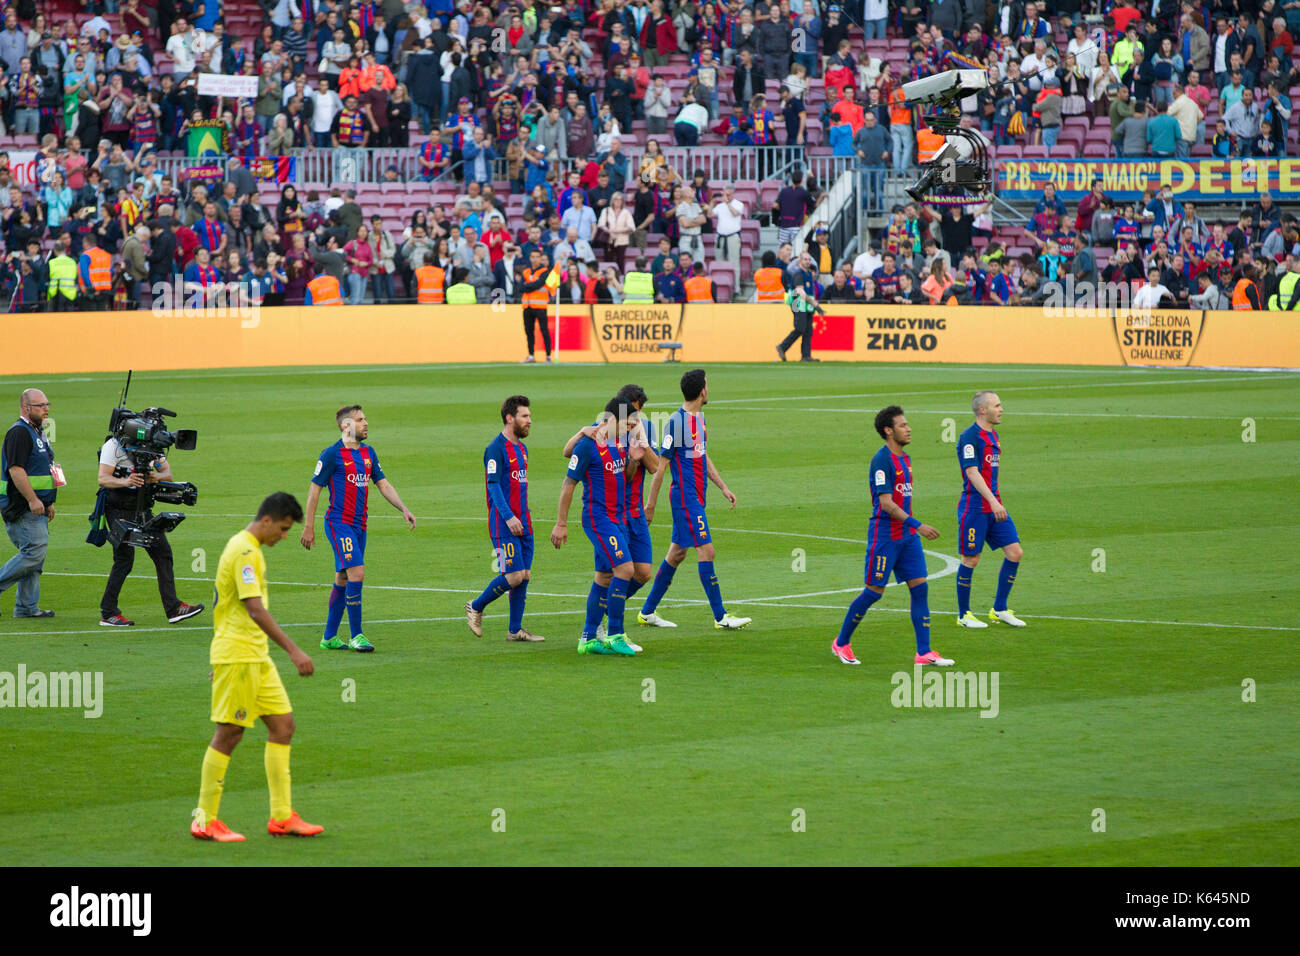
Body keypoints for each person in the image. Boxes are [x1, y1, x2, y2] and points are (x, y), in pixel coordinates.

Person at [191, 492, 322, 843]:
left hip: (253, 656)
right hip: (240, 656)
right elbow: (254, 609)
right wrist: (294, 650)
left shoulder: (248, 548)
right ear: (266, 520)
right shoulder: (245, 550)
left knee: (283, 726)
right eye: (282, 529)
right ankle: (204, 819)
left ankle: (281, 816)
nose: (283, 536)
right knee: (229, 734)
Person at [830, 405, 950, 666]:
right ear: (888, 430)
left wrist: (912, 529)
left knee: (920, 589)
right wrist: (918, 525)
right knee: (874, 592)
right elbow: (886, 503)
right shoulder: (882, 460)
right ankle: (841, 643)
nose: (908, 429)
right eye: (903, 425)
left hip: (907, 538)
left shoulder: (904, 459)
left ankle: (924, 652)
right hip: (885, 537)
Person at [636, 369, 751, 632]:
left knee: (676, 554)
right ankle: (721, 616)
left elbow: (703, 457)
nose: (708, 389)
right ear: (702, 391)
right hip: (686, 499)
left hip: (697, 497)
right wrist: (650, 505)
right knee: (706, 551)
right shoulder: (676, 423)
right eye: (707, 385)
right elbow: (660, 467)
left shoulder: (699, 419)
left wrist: (723, 487)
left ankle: (647, 611)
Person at [300, 405, 417, 654]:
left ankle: (329, 636)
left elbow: (383, 484)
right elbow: (314, 491)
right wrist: (309, 527)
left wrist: (403, 508)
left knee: (343, 577)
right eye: (360, 420)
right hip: (338, 523)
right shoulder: (331, 454)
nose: (366, 423)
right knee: (358, 573)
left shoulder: (368, 452)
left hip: (359, 525)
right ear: (346, 426)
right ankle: (357, 636)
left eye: (365, 418)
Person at [550, 397, 642, 656]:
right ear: (611, 419)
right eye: (627, 422)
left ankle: (588, 638)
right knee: (625, 569)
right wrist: (560, 523)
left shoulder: (619, 442)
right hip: (599, 519)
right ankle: (615, 634)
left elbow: (622, 477)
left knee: (604, 577)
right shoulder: (588, 445)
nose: (631, 426)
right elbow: (569, 484)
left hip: (618, 518)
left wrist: (634, 460)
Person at [96, 430, 205, 627]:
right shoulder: (113, 445)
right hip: (118, 509)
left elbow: (168, 474)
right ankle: (108, 612)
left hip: (143, 508)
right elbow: (103, 478)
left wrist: (154, 477)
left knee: (163, 553)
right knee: (124, 560)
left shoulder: (153, 447)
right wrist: (126, 481)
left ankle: (174, 609)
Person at [465, 395, 543, 642]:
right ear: (510, 418)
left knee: (524, 576)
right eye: (525, 416)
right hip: (504, 523)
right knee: (514, 576)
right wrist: (509, 517)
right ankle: (475, 606)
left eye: (529, 416)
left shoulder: (522, 448)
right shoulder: (495, 449)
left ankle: (515, 630)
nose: (530, 421)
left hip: (524, 521)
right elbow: (494, 486)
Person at [955, 391, 1026, 629]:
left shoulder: (992, 435)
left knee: (1015, 552)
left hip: (994, 507)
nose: (1002, 409)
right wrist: (993, 501)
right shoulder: (969, 437)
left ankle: (999, 609)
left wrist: (995, 502)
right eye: (997, 405)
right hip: (975, 508)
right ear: (982, 410)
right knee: (971, 559)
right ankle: (964, 615)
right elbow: (972, 472)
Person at [0, 389, 57, 619]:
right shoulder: (19, 433)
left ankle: (26, 607)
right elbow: (16, 470)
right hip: (22, 506)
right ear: (26, 408)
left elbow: (43, 468)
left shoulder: (38, 431)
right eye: (40, 405)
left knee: (34, 556)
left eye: (47, 404)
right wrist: (33, 499)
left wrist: (47, 501)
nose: (46, 409)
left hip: (37, 505)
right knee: (33, 552)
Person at [777, 252, 819, 362]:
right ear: (800, 261)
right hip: (797, 301)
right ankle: (783, 346)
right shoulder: (798, 274)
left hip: (806, 302)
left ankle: (806, 356)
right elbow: (799, 291)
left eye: (809, 259)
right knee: (800, 327)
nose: (807, 261)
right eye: (805, 259)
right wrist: (813, 302)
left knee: (808, 330)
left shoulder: (809, 274)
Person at [519, 247, 554, 362]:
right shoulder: (526, 271)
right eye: (532, 257)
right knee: (529, 331)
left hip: (540, 306)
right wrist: (529, 286)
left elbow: (538, 284)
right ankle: (531, 354)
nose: (535, 260)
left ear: (540, 258)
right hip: (527, 306)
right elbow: (519, 287)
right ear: (530, 258)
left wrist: (527, 286)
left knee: (544, 330)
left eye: (537, 257)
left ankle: (548, 355)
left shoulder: (544, 272)